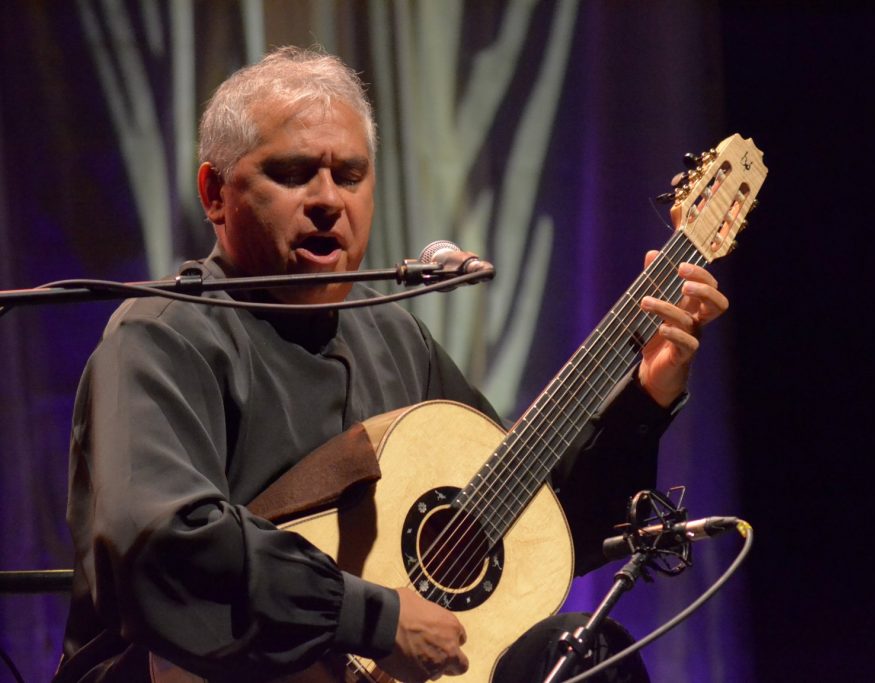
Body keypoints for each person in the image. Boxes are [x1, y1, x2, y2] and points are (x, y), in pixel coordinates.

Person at [54, 46, 729, 683]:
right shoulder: (161, 336)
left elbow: (538, 532)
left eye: (349, 175)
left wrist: (644, 395)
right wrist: (373, 618)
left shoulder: (394, 338)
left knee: (588, 656)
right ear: (215, 193)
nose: (328, 199)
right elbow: (160, 544)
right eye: (292, 173)